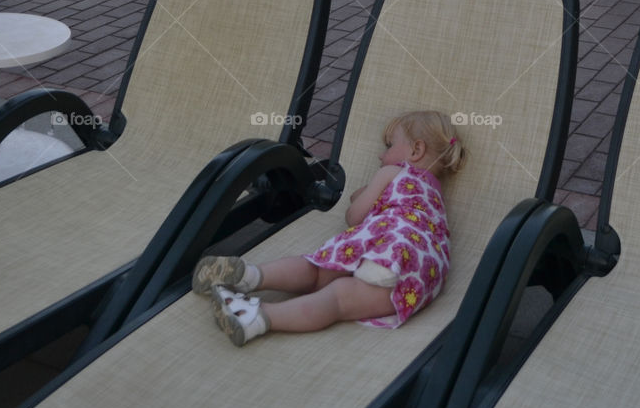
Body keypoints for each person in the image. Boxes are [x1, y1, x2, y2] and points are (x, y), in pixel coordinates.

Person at [192, 110, 466, 346]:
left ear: (416, 151)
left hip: (391, 248)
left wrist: (358, 197)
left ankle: (250, 276)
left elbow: (355, 217)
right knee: (336, 301)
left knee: (315, 270)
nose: (381, 155)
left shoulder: (394, 172)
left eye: (389, 145)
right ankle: (258, 319)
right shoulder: (436, 198)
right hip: (419, 276)